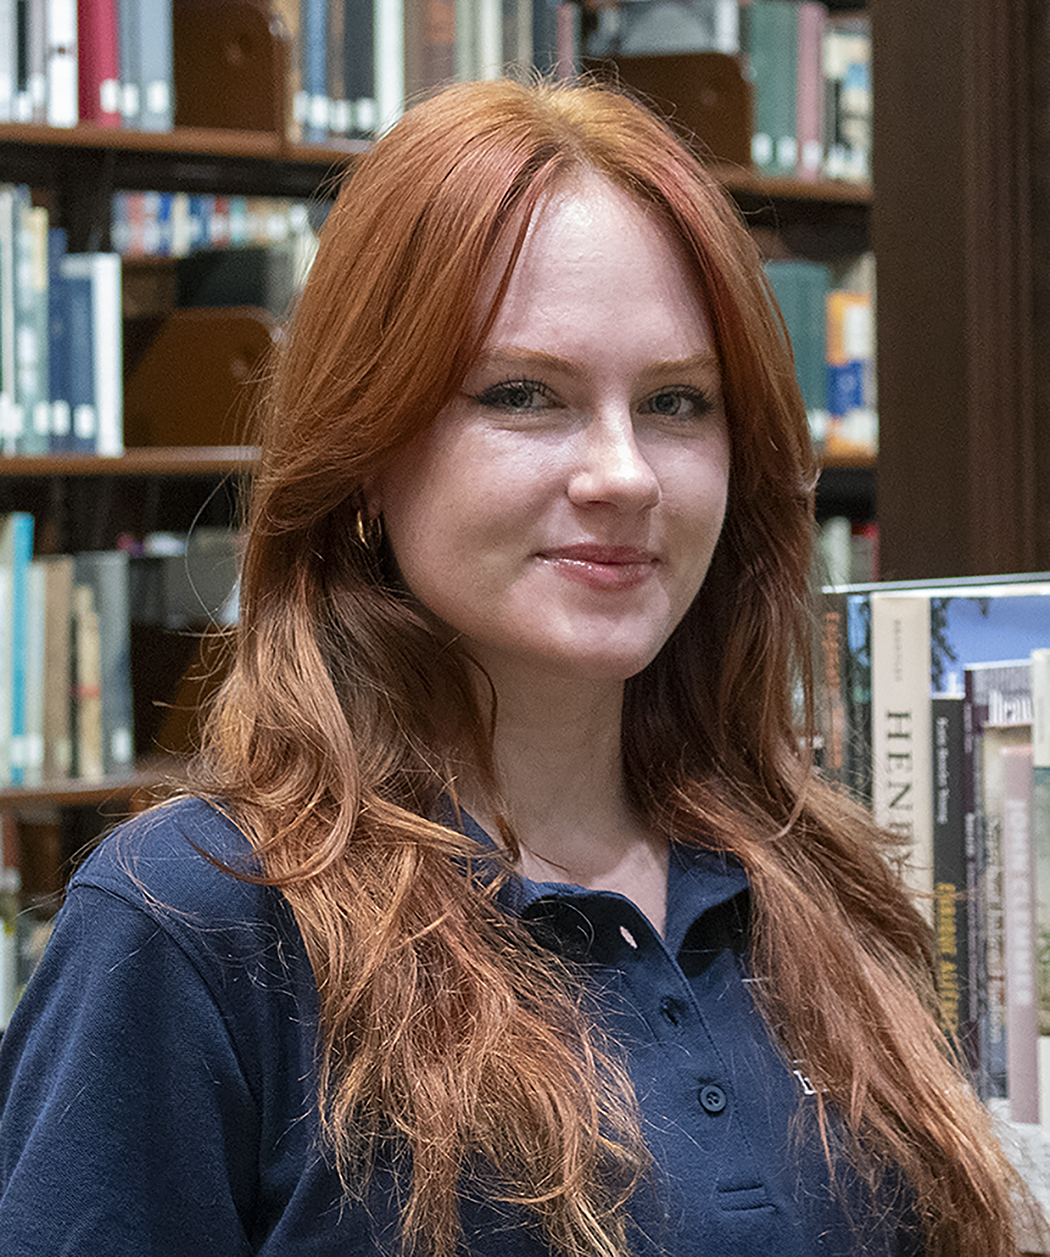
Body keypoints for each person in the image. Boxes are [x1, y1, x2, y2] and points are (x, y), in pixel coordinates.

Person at [0, 78, 1030, 1257]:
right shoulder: (197, 923)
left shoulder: (825, 881)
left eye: (678, 402)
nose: (624, 474)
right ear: (366, 454)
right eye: (525, 395)